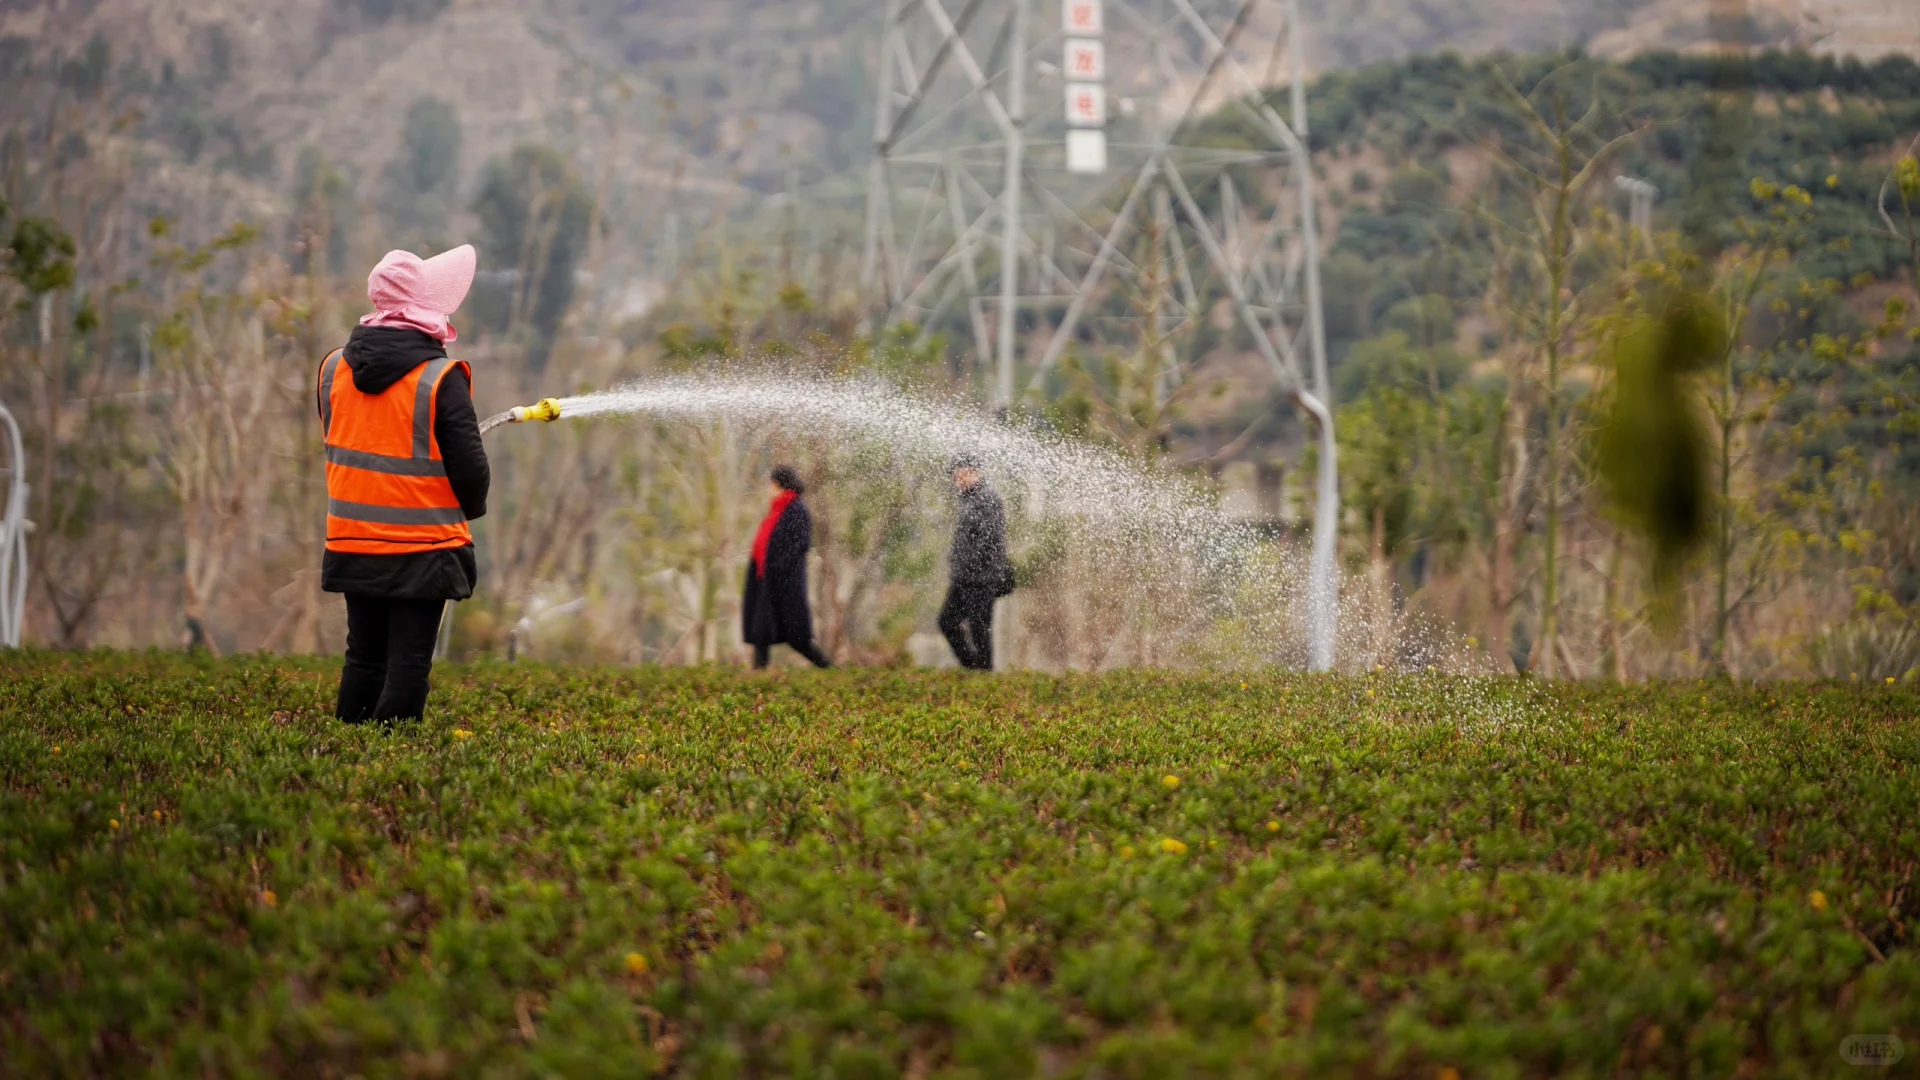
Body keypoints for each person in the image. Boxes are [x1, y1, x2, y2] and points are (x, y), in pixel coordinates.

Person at [319, 245, 489, 724]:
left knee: (363, 657)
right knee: (408, 664)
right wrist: (467, 507)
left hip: (353, 539)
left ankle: (346, 759)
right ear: (424, 311)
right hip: (423, 549)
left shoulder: (334, 369)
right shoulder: (440, 378)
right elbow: (472, 474)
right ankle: (391, 770)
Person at [743, 466, 832, 670]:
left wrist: (778, 567)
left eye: (771, 484)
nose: (768, 488)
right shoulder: (778, 509)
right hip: (768, 581)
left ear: (777, 485)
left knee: (797, 637)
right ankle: (759, 675)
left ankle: (829, 669)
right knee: (761, 631)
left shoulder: (795, 509)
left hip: (786, 583)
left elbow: (801, 543)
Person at [939, 453, 1013, 671]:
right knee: (947, 621)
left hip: (981, 578)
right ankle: (973, 667)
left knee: (979, 627)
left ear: (975, 472)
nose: (958, 480)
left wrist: (971, 566)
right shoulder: (968, 499)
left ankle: (984, 673)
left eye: (962, 474)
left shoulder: (987, 498)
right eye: (955, 476)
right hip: (964, 576)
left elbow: (990, 540)